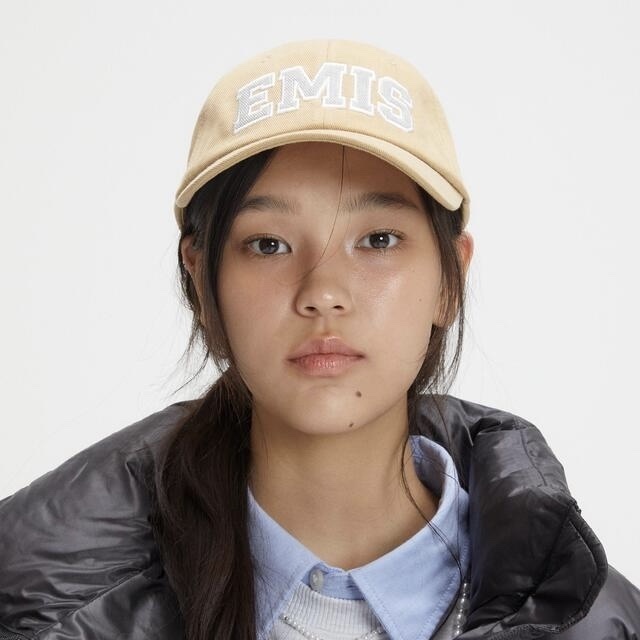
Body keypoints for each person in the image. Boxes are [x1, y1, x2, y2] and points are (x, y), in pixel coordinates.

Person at [0, 39, 638, 640]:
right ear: (201, 279)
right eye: (268, 244)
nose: (323, 292)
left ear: (450, 278)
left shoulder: (599, 621)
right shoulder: (32, 605)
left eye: (378, 240)